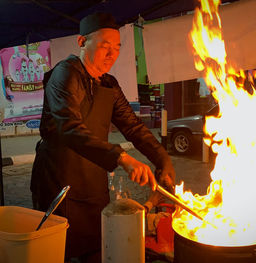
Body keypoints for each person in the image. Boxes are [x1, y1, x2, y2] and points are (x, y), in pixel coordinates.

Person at [30, 12, 175, 263]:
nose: (112, 54)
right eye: (104, 46)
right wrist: (121, 157)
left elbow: (133, 126)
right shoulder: (64, 74)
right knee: (57, 251)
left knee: (97, 246)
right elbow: (69, 127)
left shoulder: (109, 83)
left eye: (117, 48)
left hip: (93, 181)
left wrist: (162, 159)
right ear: (81, 42)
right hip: (59, 180)